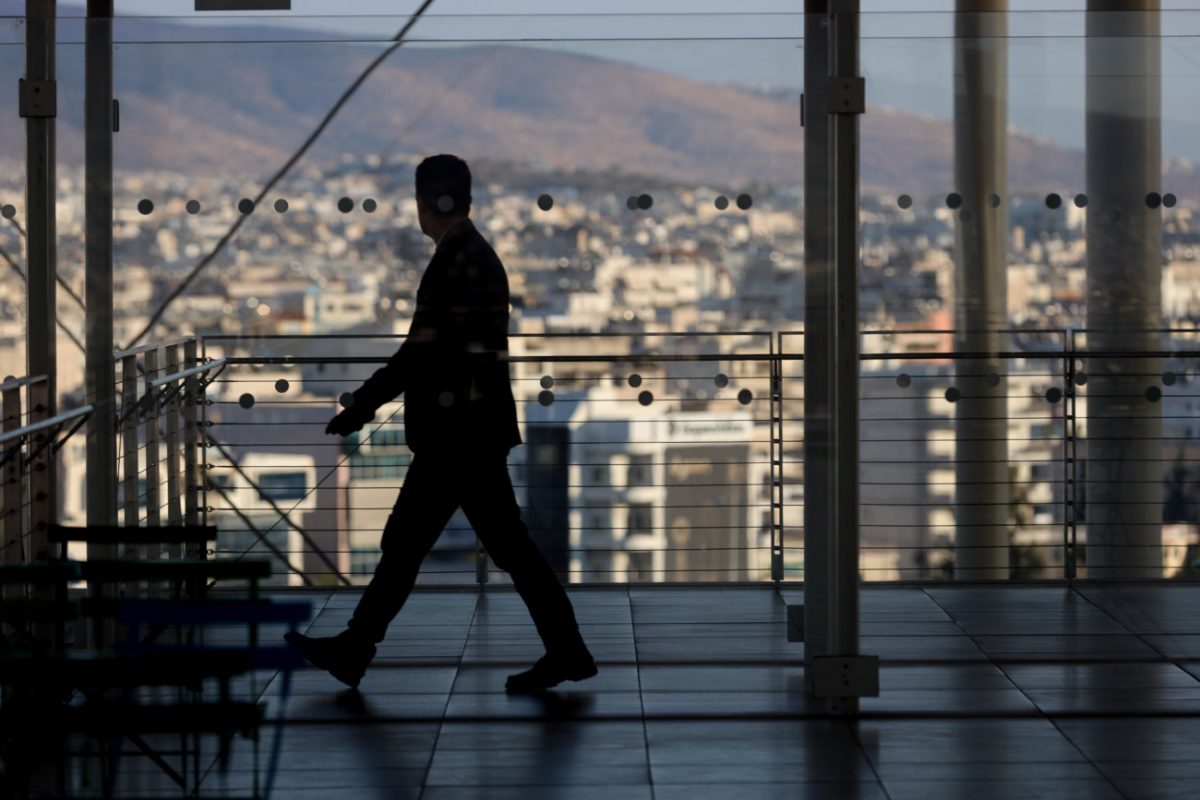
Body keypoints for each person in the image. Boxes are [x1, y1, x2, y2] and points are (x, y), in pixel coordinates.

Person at [285, 154, 596, 693]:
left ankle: (357, 648)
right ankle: (565, 650)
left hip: (456, 435)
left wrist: (363, 403)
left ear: (427, 203)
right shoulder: (475, 254)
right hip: (471, 429)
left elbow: (419, 352)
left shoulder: (454, 261)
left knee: (421, 545)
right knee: (467, 546)